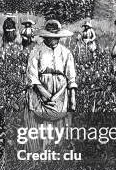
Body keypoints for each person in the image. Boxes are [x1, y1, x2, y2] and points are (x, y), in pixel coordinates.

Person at [24, 20, 77, 151]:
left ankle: (57, 151)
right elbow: (32, 76)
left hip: (60, 91)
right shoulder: (36, 51)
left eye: (56, 37)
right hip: (41, 89)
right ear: (45, 36)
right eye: (50, 37)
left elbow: (71, 77)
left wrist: (72, 98)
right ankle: (39, 152)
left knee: (59, 121)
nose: (53, 40)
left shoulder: (66, 52)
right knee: (40, 121)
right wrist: (45, 94)